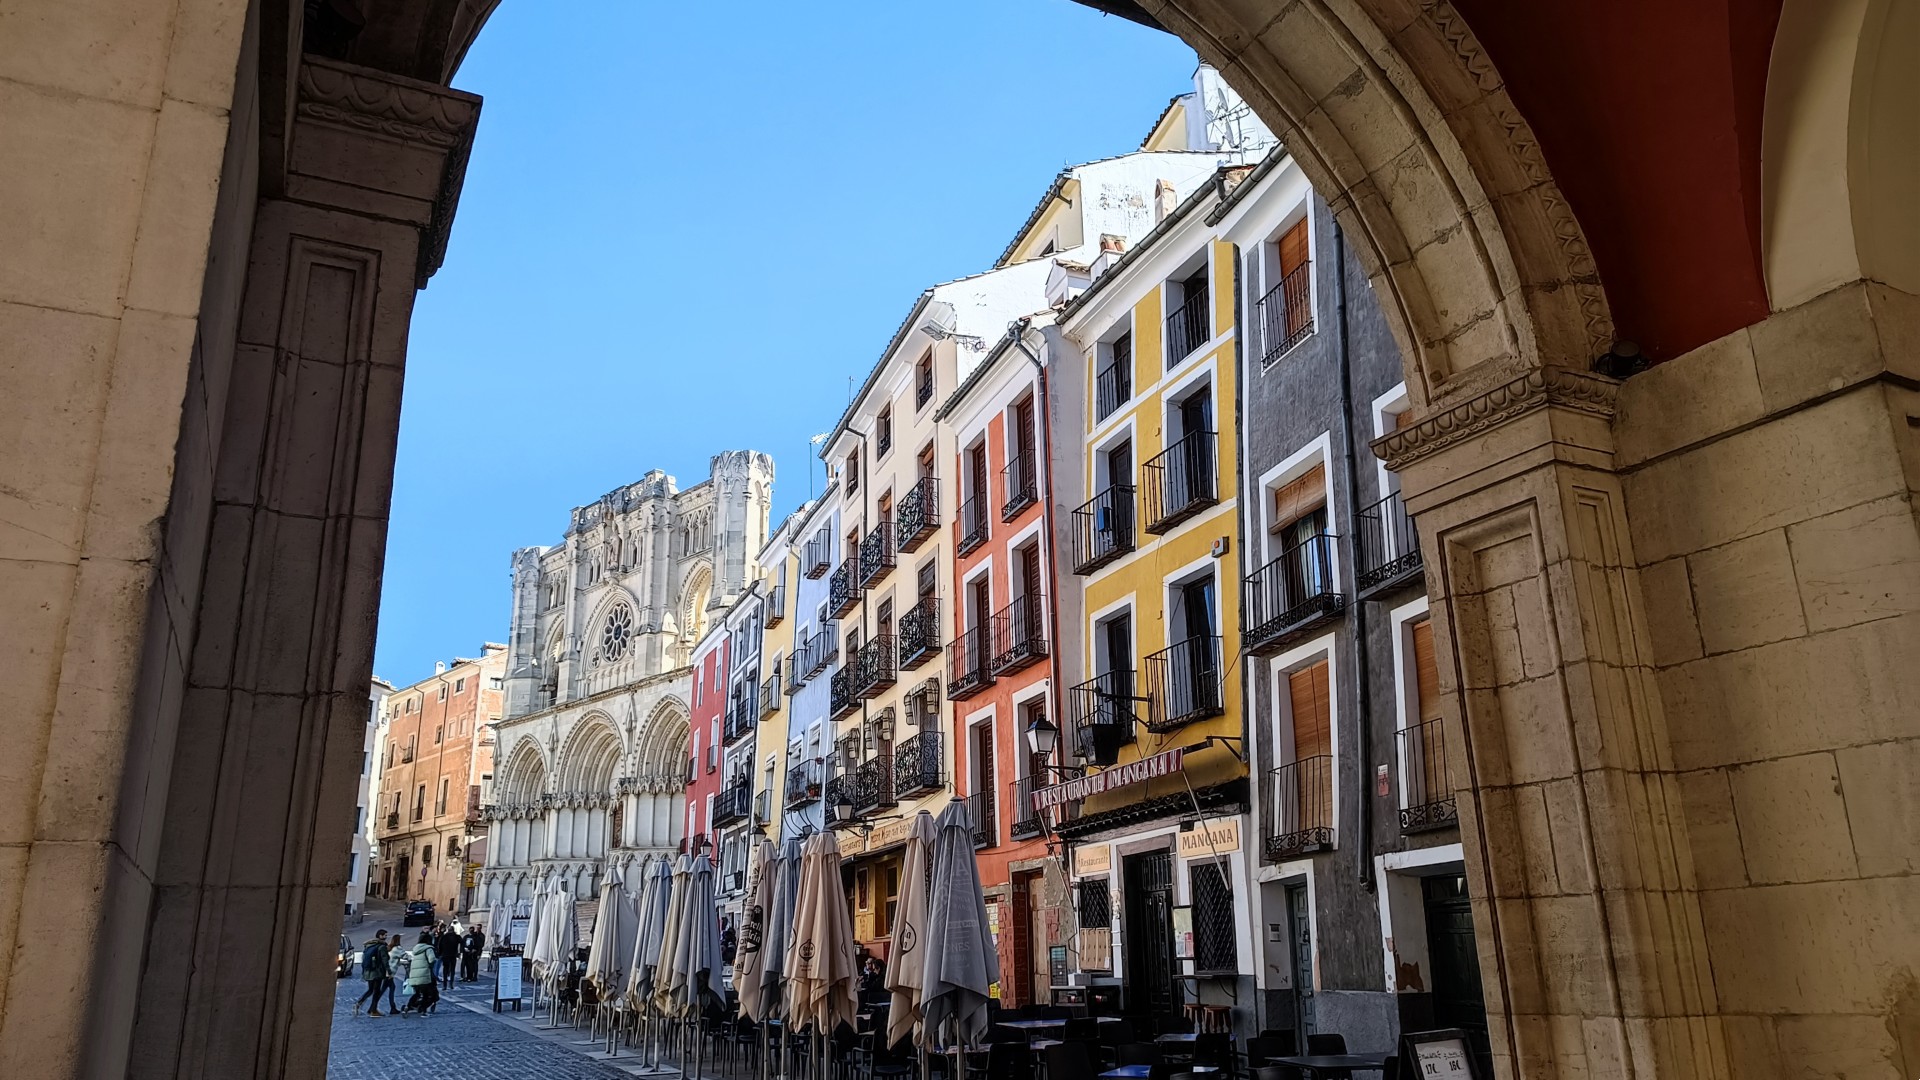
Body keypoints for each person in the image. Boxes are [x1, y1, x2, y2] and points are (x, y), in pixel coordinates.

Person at [353, 930, 389, 1017]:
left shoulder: (369, 945)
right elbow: (385, 960)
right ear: (380, 936)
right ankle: (373, 1010)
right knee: (376, 991)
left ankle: (359, 1003)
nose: (386, 937)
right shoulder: (381, 946)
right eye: (385, 935)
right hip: (377, 972)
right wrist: (389, 971)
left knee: (370, 990)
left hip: (369, 971)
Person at [405, 931, 438, 1014]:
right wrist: (430, 965)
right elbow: (432, 959)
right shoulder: (428, 948)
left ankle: (409, 1006)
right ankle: (422, 1008)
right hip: (424, 975)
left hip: (414, 975)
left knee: (417, 993)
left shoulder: (416, 949)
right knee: (429, 994)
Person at [435, 924, 461, 990]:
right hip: (453, 955)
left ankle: (445, 985)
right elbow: (462, 943)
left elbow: (439, 945)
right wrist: (459, 952)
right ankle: (451, 984)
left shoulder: (444, 937)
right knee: (452, 970)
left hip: (445, 955)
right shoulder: (456, 936)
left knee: (445, 970)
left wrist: (440, 953)